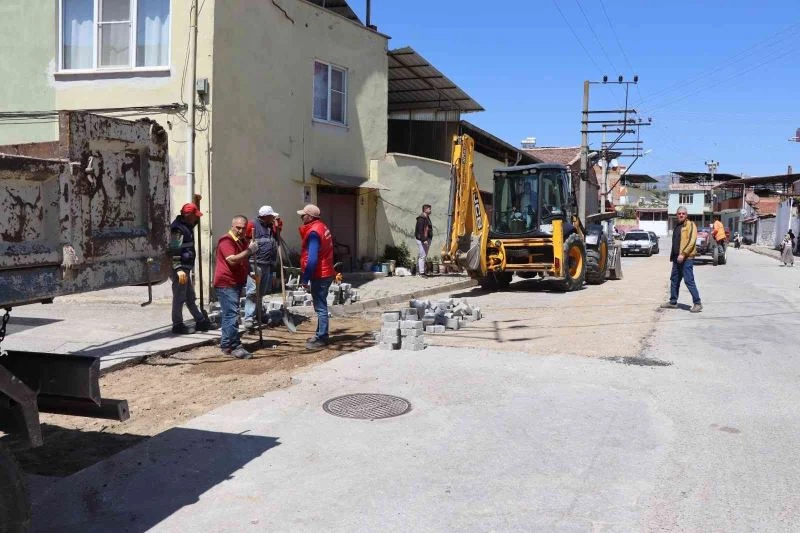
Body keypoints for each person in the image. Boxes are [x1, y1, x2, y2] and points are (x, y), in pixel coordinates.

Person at [213, 216, 258, 359]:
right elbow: (232, 260)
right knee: (232, 315)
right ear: (232, 226)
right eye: (238, 227)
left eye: (243, 228)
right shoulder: (226, 241)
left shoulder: (243, 241)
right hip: (226, 283)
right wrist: (249, 251)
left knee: (229, 315)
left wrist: (251, 273)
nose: (240, 230)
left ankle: (226, 344)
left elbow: (243, 260)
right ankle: (235, 346)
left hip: (236, 283)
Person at [168, 203, 212, 334]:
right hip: (180, 269)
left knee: (189, 296)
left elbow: (195, 221)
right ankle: (177, 325)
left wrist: (196, 201)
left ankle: (200, 321)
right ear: (188, 216)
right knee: (179, 297)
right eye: (194, 216)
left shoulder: (187, 225)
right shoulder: (177, 229)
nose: (196, 219)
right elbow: (174, 250)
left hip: (186, 267)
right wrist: (178, 269)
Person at [297, 204, 335, 350]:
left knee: (320, 307)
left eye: (303, 215)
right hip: (325, 271)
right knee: (321, 305)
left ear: (310, 217)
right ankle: (320, 334)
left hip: (320, 273)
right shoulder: (322, 227)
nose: (301, 217)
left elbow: (312, 258)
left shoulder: (314, 232)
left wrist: (305, 278)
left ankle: (322, 338)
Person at [243, 205, 280, 329]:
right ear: (266, 216)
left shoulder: (270, 227)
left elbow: (277, 235)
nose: (273, 218)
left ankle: (259, 313)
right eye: (272, 216)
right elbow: (244, 240)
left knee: (262, 292)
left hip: (267, 264)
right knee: (252, 291)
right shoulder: (252, 225)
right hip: (255, 264)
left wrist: (277, 225)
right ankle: (248, 317)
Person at [660, 206, 702, 313]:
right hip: (676, 258)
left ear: (686, 215)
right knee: (674, 280)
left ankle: (697, 303)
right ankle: (673, 302)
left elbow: (692, 241)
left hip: (686, 258)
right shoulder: (677, 226)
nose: (681, 215)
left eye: (683, 213)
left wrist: (683, 254)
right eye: (679, 213)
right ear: (677, 215)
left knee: (688, 280)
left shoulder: (691, 225)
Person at [414, 204, 433, 277]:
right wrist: (424, 240)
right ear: (425, 210)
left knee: (424, 255)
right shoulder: (421, 218)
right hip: (422, 240)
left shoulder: (426, 217)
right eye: (429, 209)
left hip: (426, 239)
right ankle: (421, 273)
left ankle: (422, 271)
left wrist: (429, 238)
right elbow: (420, 230)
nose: (430, 210)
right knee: (422, 255)